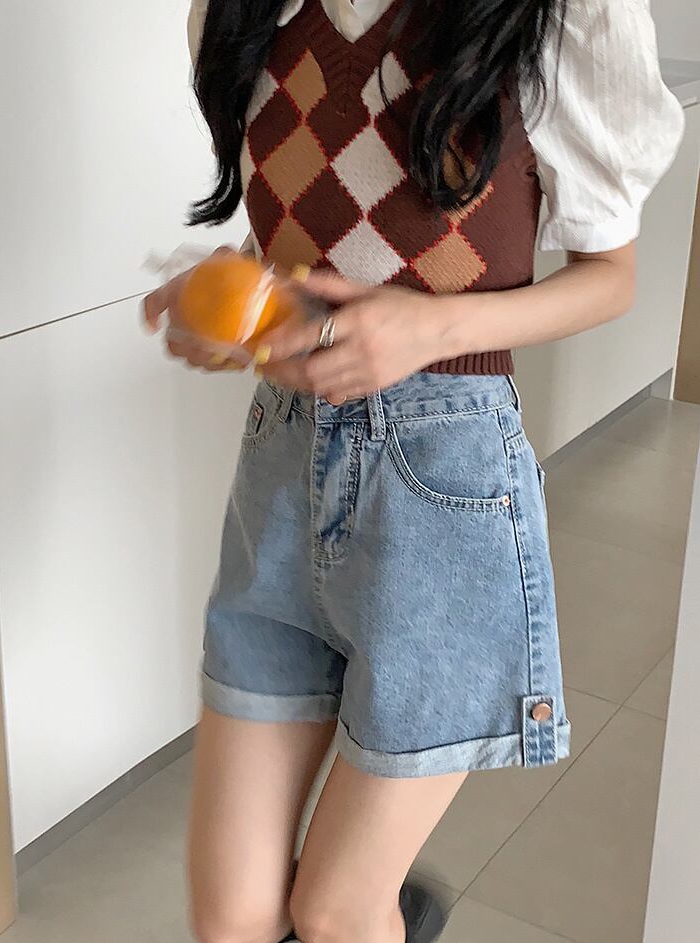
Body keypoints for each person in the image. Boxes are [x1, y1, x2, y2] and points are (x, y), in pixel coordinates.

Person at [144, 2, 685, 942]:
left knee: (335, 910)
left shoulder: (562, 14)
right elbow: (303, 249)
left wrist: (431, 329)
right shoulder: (236, 11)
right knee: (231, 919)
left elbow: (613, 275)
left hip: (445, 484)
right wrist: (240, 308)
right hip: (281, 475)